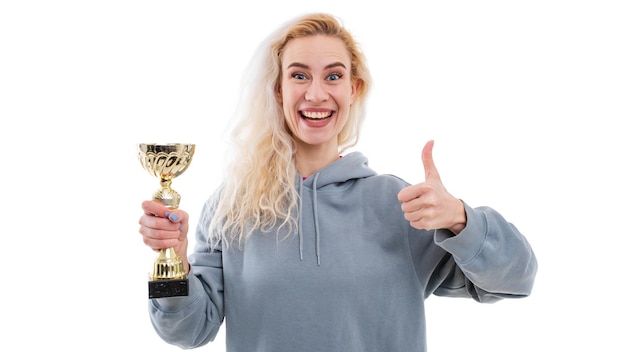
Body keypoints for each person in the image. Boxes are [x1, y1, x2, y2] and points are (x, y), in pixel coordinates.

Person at [138, 12, 537, 352]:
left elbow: (517, 280)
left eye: (333, 76)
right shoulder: (231, 206)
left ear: (353, 89)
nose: (316, 94)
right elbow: (186, 332)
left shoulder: (398, 203)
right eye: (299, 75)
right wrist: (172, 265)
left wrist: (460, 218)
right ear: (279, 90)